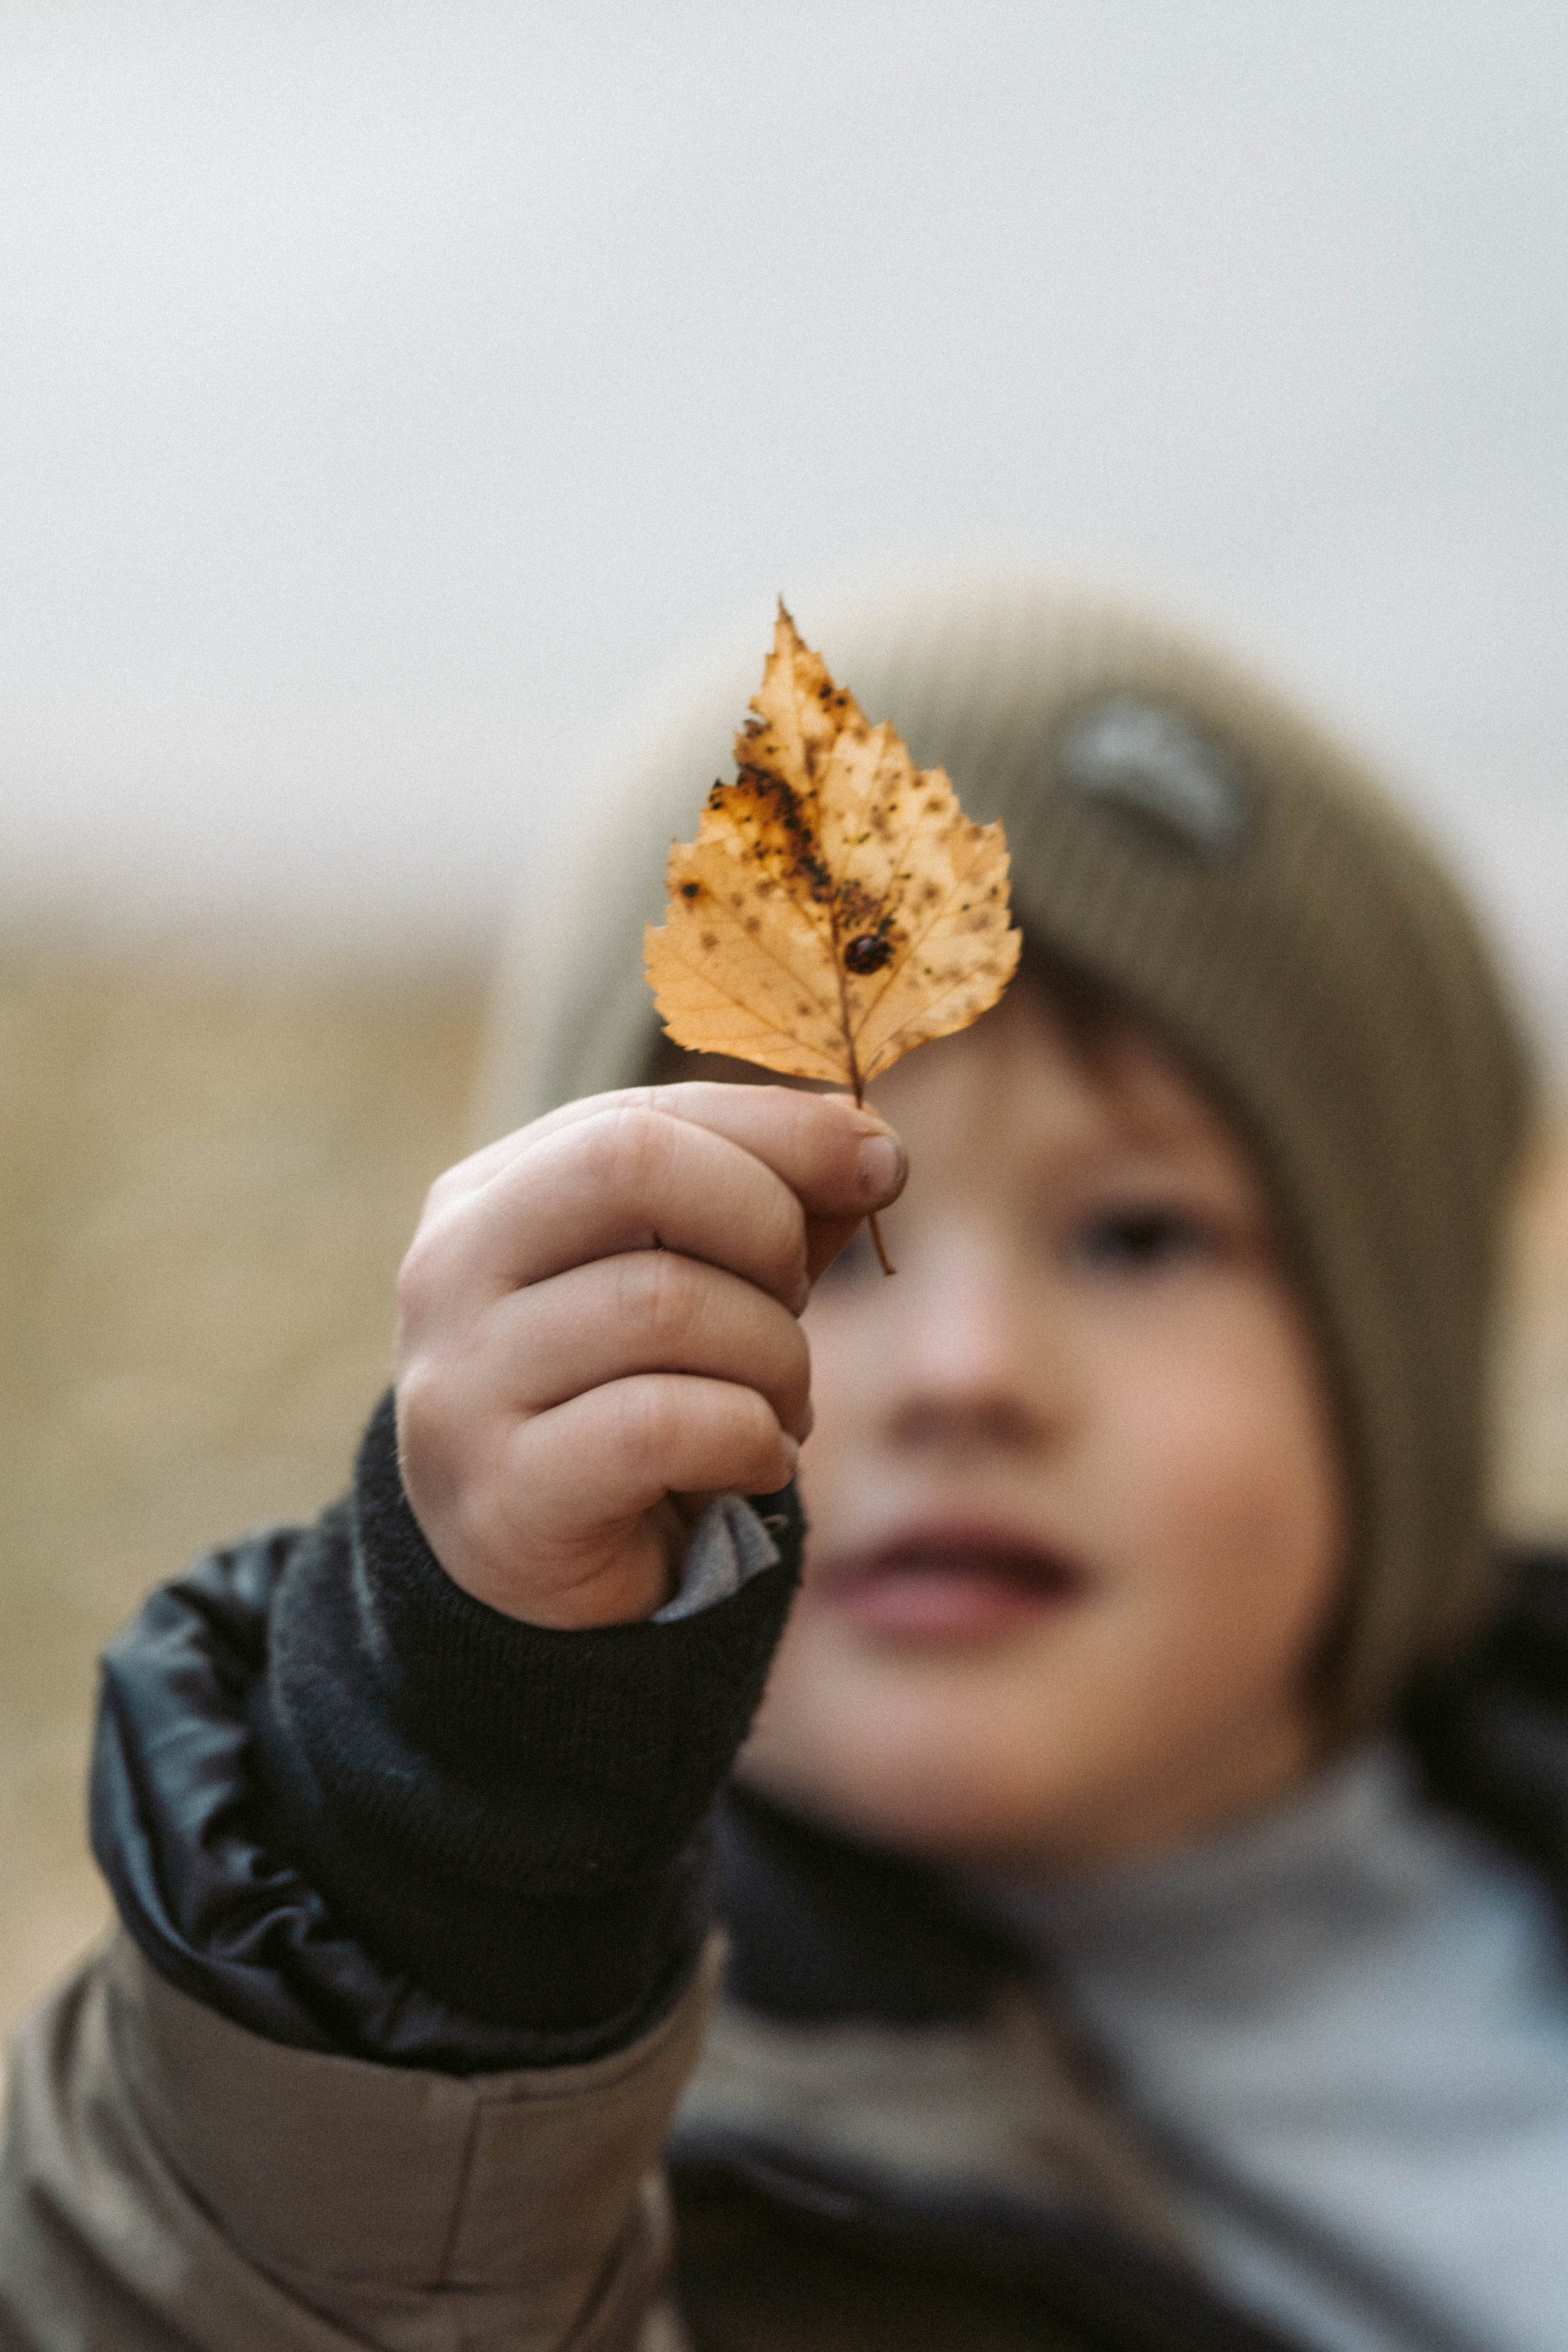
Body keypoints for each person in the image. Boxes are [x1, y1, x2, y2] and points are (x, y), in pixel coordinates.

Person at [4, 578, 1567, 2352]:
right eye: (788, 1243)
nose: (969, 1376)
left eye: (1137, 1240)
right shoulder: (528, 2160)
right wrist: (444, 1853)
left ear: (1402, 1363)